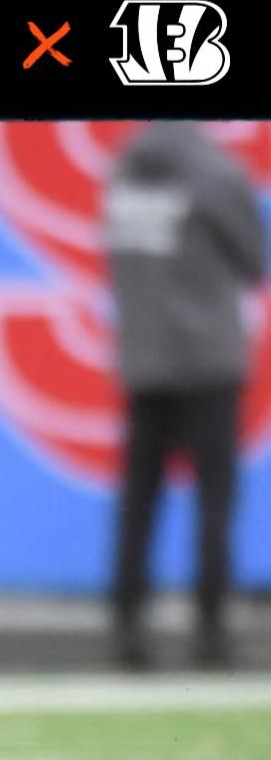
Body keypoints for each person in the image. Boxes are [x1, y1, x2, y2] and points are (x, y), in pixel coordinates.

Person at [103, 122, 266, 671]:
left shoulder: (125, 169)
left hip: (145, 361)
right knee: (214, 503)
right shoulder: (216, 172)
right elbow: (253, 258)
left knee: (139, 505)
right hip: (208, 364)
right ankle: (211, 633)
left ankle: (128, 628)